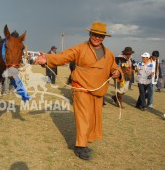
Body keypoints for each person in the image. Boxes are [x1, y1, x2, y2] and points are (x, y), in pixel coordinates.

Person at [35, 21, 122, 160]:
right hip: (81, 88)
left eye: (100, 36)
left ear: (104, 38)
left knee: (93, 118)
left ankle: (85, 141)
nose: (97, 38)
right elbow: (63, 56)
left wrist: (117, 71)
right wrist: (47, 58)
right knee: (84, 117)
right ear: (90, 34)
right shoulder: (80, 49)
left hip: (98, 91)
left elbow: (114, 66)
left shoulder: (109, 54)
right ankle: (80, 146)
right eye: (95, 34)